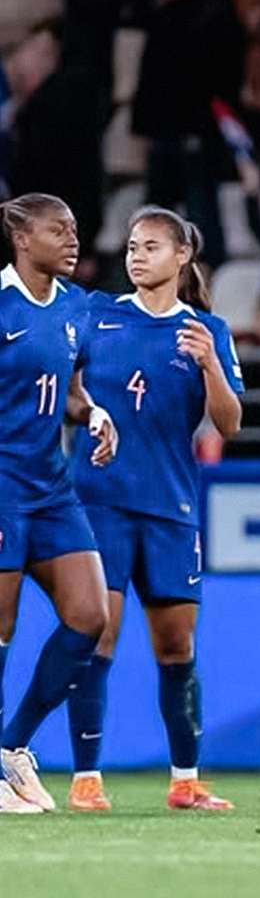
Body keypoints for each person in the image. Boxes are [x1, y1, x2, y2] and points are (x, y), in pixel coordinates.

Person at [63, 208, 244, 813]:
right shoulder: (97, 314)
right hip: (101, 501)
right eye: (132, 247)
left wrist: (210, 365)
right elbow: (65, 387)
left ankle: (185, 780)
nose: (137, 257)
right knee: (99, 636)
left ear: (182, 256)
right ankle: (86, 778)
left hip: (171, 506)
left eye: (151, 247)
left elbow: (230, 423)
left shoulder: (207, 330)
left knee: (176, 646)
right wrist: (89, 415)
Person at [0, 195, 117, 813]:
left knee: (89, 616)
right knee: (1, 628)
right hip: (2, 485)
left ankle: (11, 746)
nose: (73, 240)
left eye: (74, 229)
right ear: (23, 239)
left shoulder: (75, 307)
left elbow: (70, 392)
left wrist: (93, 413)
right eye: (58, 230)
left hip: (51, 488)